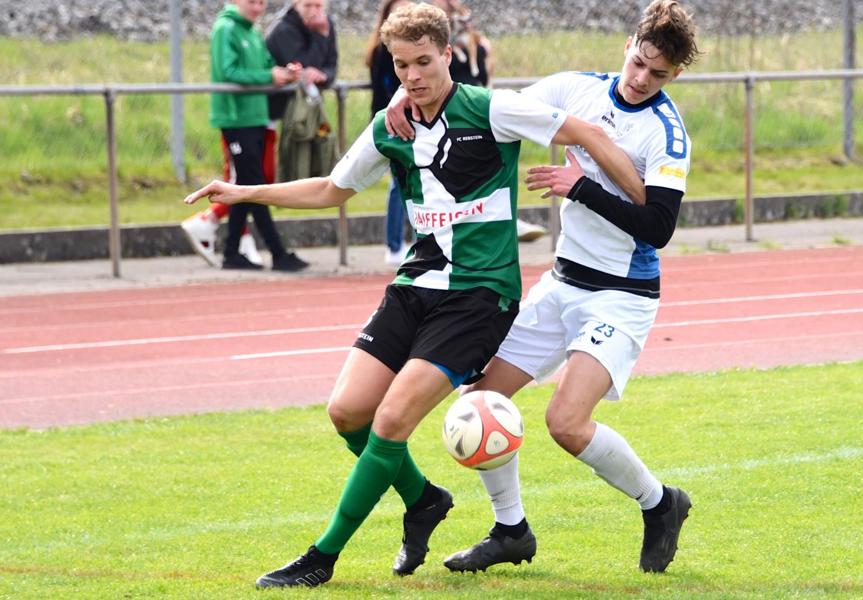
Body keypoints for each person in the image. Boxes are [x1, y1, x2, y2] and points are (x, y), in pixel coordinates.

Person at [182, 3, 645, 588]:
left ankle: (321, 558)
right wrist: (241, 190)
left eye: (424, 62)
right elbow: (331, 189)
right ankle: (424, 499)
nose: (413, 76)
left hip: (479, 295)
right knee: (347, 413)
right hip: (414, 285)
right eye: (401, 65)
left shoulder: (491, 109)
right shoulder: (390, 125)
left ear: (447, 56)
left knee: (393, 419)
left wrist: (640, 199)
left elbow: (584, 131)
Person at [388, 0, 701, 575]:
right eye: (638, 62)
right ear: (628, 45)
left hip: (621, 296)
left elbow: (659, 226)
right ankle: (511, 530)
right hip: (559, 286)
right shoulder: (574, 88)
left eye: (657, 74)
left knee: (566, 422)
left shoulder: (667, 134)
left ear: (675, 75)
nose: (640, 79)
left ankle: (661, 504)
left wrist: (579, 187)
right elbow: (485, 108)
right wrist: (405, 95)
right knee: (479, 401)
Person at [181, 0, 309, 272]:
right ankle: (276, 252)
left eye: (262, 2)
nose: (258, 7)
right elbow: (228, 72)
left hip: (255, 115)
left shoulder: (252, 30)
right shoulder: (225, 29)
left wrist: (285, 73)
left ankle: (233, 252)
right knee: (252, 182)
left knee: (248, 185)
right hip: (235, 117)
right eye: (252, 1)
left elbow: (264, 65)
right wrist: (268, 75)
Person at [430, 0, 548, 243]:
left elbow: (482, 75)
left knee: (490, 167)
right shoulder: (432, 26)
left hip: (477, 111)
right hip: (448, 114)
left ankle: (504, 222)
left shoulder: (469, 29)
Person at [364, 0, 414, 264]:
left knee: (415, 181)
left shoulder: (415, 46)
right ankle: (394, 245)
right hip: (394, 122)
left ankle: (419, 242)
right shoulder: (384, 50)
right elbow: (386, 86)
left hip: (414, 121)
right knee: (399, 183)